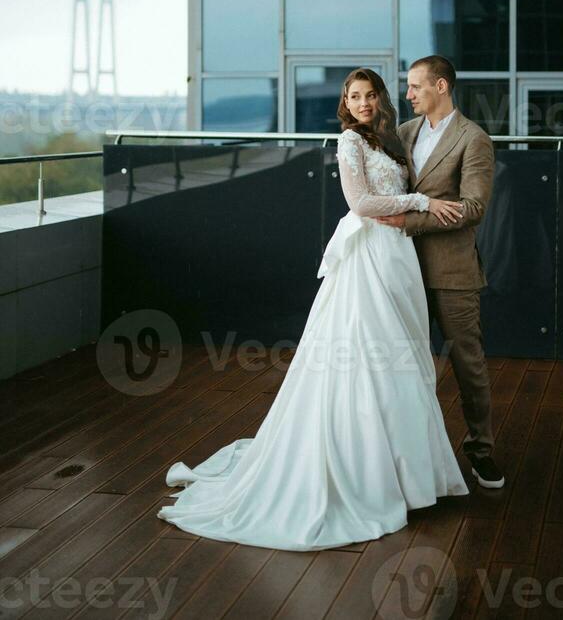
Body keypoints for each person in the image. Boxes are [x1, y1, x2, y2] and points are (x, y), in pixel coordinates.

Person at [156, 67, 468, 551]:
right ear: (346, 101)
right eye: (355, 96)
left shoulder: (389, 141)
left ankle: (409, 477)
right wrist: (423, 200)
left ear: (380, 99)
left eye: (370, 95)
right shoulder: (349, 142)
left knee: (404, 358)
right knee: (368, 356)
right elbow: (360, 202)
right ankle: (372, 476)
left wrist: (413, 207)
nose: (363, 103)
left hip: (399, 256)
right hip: (367, 258)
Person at [376, 55, 504, 489]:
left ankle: (481, 452)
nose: (408, 95)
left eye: (416, 87)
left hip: (452, 273)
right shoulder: (404, 134)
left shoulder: (475, 138)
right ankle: (408, 457)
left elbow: (473, 208)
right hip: (403, 268)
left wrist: (411, 220)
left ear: (442, 86)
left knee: (468, 365)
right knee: (404, 363)